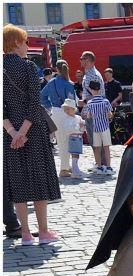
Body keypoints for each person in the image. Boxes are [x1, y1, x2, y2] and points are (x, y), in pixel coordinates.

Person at [3, 24, 61, 246]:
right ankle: (43, 231)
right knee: (38, 181)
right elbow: (34, 103)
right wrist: (24, 132)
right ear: (16, 42)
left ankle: (25, 233)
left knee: (18, 184)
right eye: (26, 41)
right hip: (33, 131)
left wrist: (13, 132)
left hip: (9, 134)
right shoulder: (27, 67)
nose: (27, 46)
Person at [40, 60, 78, 177]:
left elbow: (42, 96)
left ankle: (65, 166)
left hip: (55, 112)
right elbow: (72, 101)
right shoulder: (69, 84)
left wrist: (49, 106)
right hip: (67, 112)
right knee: (69, 140)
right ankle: (64, 168)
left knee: (61, 140)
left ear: (56, 69)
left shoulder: (51, 82)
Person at [82, 80, 114, 175]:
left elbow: (88, 116)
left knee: (97, 148)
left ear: (91, 90)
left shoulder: (90, 103)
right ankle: (108, 167)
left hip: (96, 128)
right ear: (100, 89)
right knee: (106, 148)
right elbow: (109, 114)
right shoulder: (105, 101)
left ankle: (99, 167)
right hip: (105, 127)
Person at [59, 99, 85, 178]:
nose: (66, 111)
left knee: (77, 154)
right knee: (73, 153)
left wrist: (82, 127)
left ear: (74, 109)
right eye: (65, 109)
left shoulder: (78, 117)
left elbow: (82, 128)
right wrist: (78, 127)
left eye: (68, 109)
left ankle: (76, 168)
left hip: (78, 138)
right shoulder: (66, 119)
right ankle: (74, 169)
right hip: (72, 138)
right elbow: (68, 129)